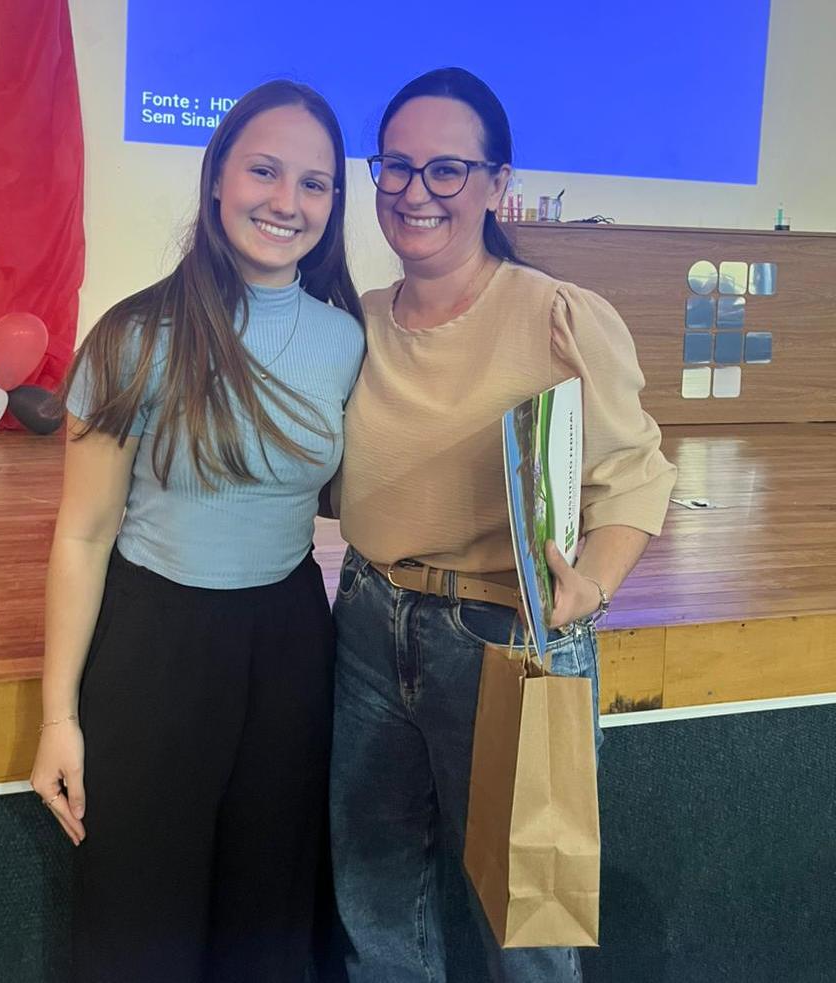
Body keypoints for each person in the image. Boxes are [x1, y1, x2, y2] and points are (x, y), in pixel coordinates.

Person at [329, 67, 676, 983]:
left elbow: (634, 476)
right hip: (366, 621)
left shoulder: (558, 316)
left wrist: (592, 588)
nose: (416, 191)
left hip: (510, 635)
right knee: (376, 891)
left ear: (496, 184)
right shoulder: (359, 325)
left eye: (447, 169)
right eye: (396, 166)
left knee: (527, 922)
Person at [29, 79, 364, 983]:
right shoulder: (133, 336)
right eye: (264, 171)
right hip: (156, 645)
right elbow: (84, 534)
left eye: (314, 183)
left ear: (333, 203)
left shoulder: (345, 342)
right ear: (217, 177)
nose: (287, 201)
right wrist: (58, 715)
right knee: (141, 922)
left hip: (289, 642)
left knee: (268, 918)